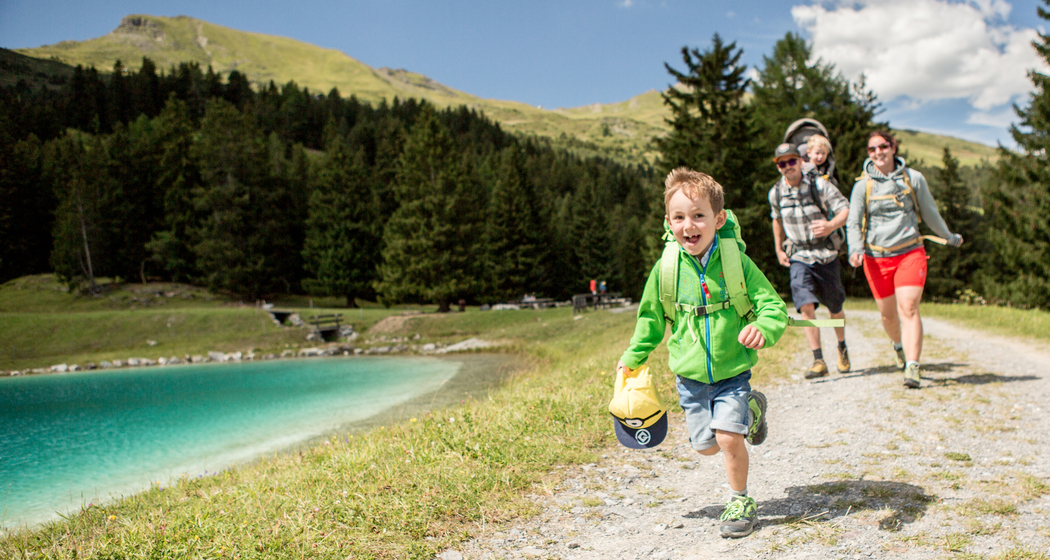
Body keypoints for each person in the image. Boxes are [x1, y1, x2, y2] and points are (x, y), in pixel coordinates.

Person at [617, 167, 788, 538]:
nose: (689, 225)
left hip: (732, 371)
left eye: (698, 216)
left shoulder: (736, 263)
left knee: (728, 438)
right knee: (706, 446)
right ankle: (754, 411)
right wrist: (634, 356)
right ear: (668, 221)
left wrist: (763, 327)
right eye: (679, 217)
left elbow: (773, 306)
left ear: (718, 218)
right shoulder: (666, 269)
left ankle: (740, 500)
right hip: (690, 378)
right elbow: (650, 320)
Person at [846, 131, 964, 388]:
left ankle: (912, 366)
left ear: (893, 148)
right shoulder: (861, 186)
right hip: (876, 258)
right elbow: (853, 222)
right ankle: (898, 346)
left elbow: (930, 212)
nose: (878, 152)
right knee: (888, 316)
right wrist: (854, 249)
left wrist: (949, 236)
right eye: (872, 149)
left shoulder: (913, 179)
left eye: (883, 146)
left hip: (910, 253)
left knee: (908, 307)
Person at [768, 143, 851, 379]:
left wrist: (831, 225)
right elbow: (776, 219)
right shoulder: (776, 192)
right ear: (778, 167)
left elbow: (845, 208)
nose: (787, 167)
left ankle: (842, 347)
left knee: (835, 308)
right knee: (805, 305)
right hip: (798, 256)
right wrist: (779, 248)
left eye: (791, 161)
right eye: (781, 163)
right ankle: (818, 360)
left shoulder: (819, 185)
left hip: (825, 254)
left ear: (801, 161)